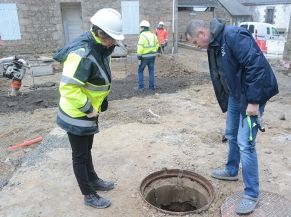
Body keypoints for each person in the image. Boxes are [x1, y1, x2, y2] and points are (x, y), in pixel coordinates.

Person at [185, 19, 278, 215]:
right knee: (231, 133)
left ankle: (252, 194)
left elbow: (256, 65)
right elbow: (222, 72)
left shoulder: (234, 36)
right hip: (236, 95)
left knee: (246, 143)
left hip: (252, 94)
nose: (196, 46)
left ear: (202, 33)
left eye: (195, 42)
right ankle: (231, 170)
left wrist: (254, 101)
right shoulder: (214, 44)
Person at [53, 8, 124, 209]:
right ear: (102, 34)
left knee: (87, 150)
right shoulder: (82, 53)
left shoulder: (101, 47)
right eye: (113, 38)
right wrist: (88, 108)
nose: (116, 43)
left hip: (89, 112)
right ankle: (88, 194)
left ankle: (93, 180)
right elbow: (68, 87)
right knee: (80, 155)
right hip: (77, 113)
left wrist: (97, 106)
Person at [137, 20, 159, 91]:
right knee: (151, 71)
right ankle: (151, 87)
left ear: (143, 28)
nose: (140, 29)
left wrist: (139, 55)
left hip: (144, 57)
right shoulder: (153, 35)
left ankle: (141, 87)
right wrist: (154, 51)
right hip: (152, 56)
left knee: (140, 71)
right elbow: (157, 45)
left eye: (141, 27)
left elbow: (140, 46)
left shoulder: (142, 36)